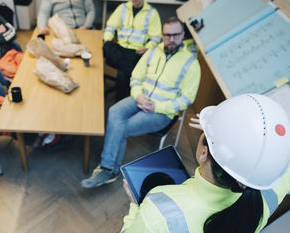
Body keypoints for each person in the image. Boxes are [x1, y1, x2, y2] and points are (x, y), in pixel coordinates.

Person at [114, 93, 290, 233]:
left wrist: (134, 210)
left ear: (204, 153)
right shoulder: (271, 189)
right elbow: (283, 163)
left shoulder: (155, 220)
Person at [81, 17, 201, 188]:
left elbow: (186, 99)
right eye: (167, 35)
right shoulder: (152, 52)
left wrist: (157, 106)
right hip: (140, 99)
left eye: (176, 35)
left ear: (183, 34)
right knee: (114, 111)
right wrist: (137, 95)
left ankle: (108, 169)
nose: (171, 39)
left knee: (123, 126)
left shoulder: (191, 63)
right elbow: (136, 77)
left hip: (162, 112)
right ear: (162, 35)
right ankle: (109, 169)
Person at [103, 0, 162, 101]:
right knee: (107, 45)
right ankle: (130, 69)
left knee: (122, 75)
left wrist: (147, 47)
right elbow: (110, 26)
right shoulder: (122, 8)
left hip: (136, 51)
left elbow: (156, 38)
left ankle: (118, 102)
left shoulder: (152, 13)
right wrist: (108, 38)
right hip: (120, 48)